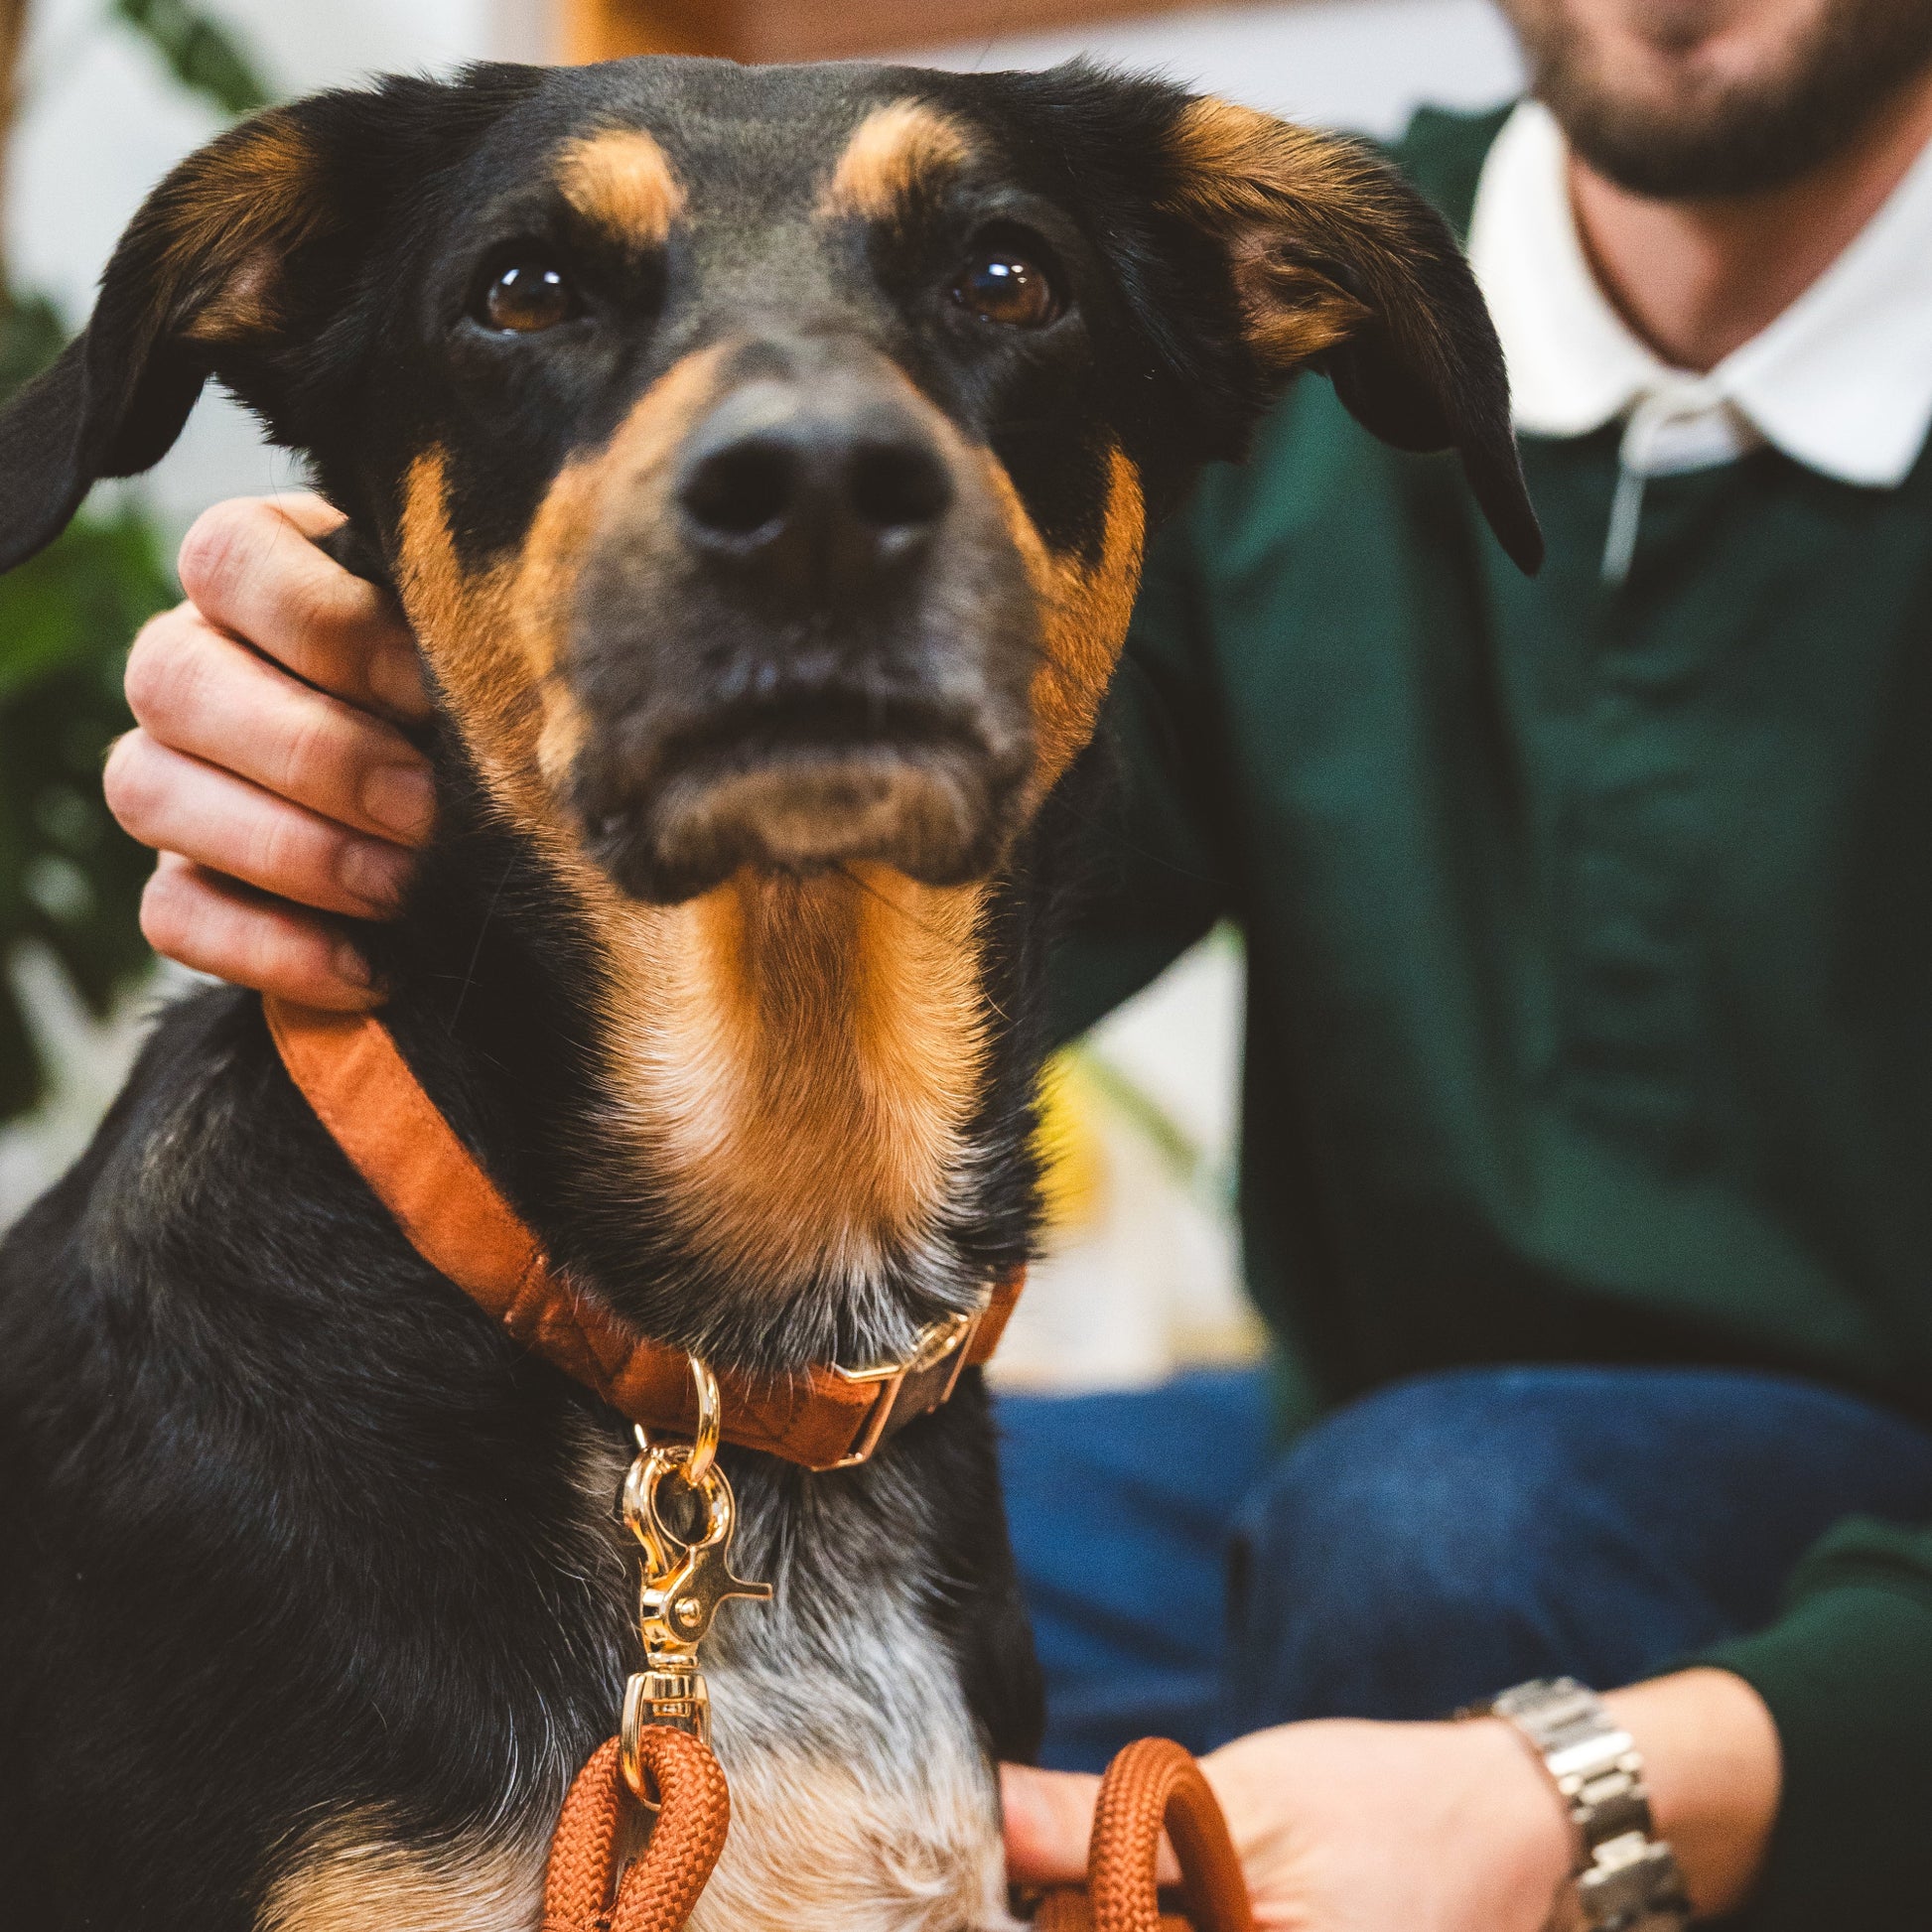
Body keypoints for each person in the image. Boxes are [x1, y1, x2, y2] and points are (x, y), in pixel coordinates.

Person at [98, 0, 1932, 1924]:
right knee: (812, 1560)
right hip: (1319, 1430)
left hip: (1684, 1521)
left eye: (985, 278)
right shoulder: (1283, 331)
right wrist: (379, 765)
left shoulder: (1248, 276)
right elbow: (962, 875)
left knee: (1436, 1521)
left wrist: (1600, 1783)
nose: (812, 442)